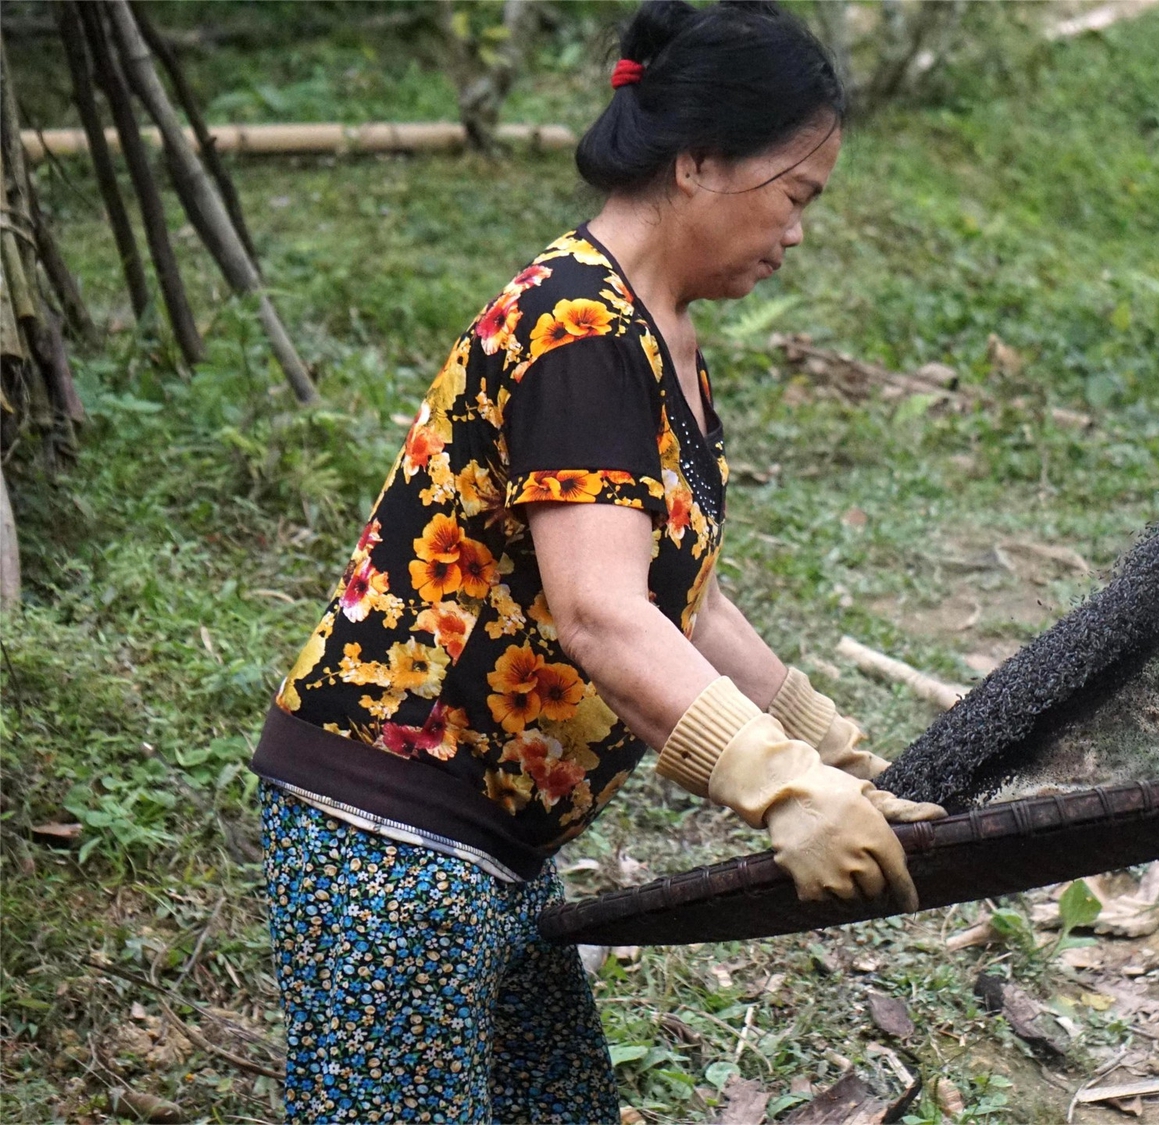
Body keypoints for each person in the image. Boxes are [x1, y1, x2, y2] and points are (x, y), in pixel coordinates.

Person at [248, 3, 943, 1119]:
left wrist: (827, 749)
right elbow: (603, 615)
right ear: (700, 159)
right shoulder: (578, 329)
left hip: (492, 844)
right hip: (395, 833)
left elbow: (680, 601)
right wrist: (768, 785)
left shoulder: (648, 326)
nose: (799, 232)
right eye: (795, 196)